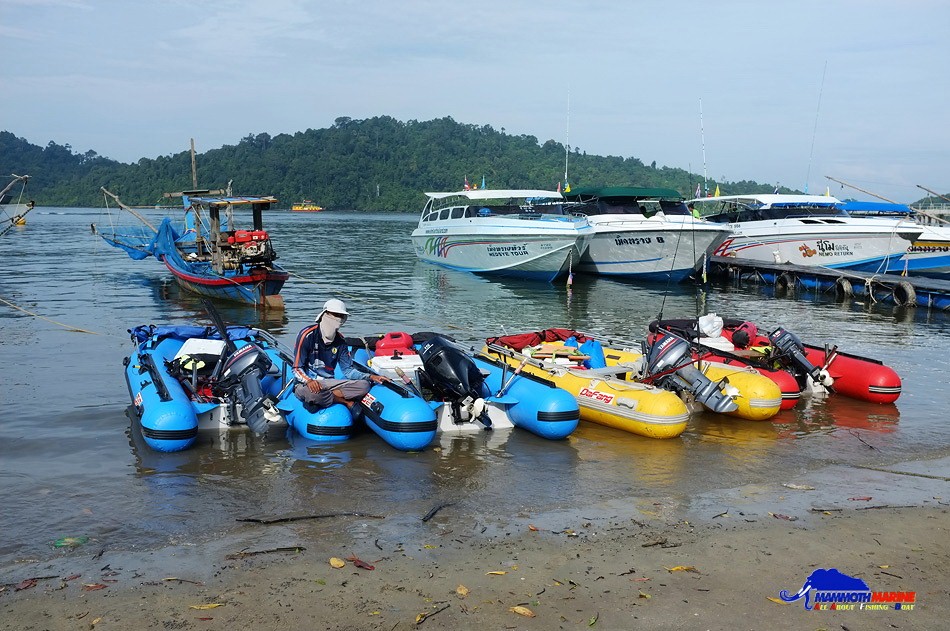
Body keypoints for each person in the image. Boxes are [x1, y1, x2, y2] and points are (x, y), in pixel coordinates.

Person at [292, 299, 388, 412]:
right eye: (335, 315)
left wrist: (371, 376)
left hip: (328, 383)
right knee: (313, 394)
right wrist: (309, 381)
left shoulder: (340, 341)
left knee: (364, 385)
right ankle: (344, 401)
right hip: (306, 383)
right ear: (325, 314)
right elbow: (297, 368)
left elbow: (348, 370)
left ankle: (324, 398)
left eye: (341, 316)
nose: (339, 319)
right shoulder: (307, 335)